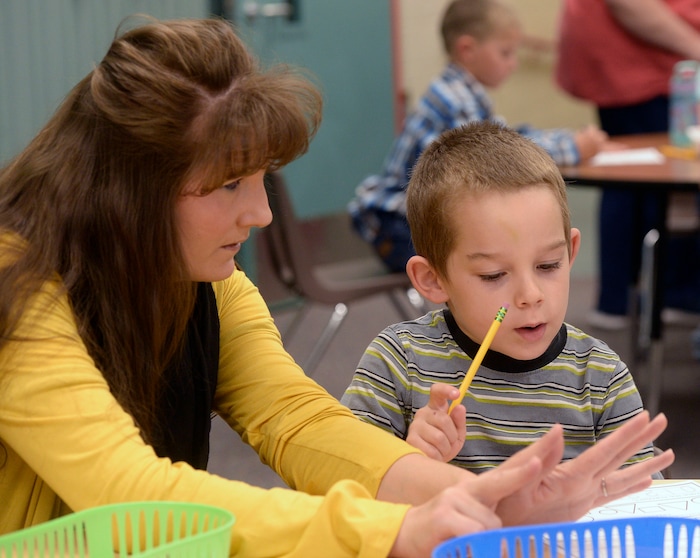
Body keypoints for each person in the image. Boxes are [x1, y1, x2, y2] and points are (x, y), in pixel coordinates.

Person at [0, 16, 673, 558]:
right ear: (131, 187)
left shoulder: (211, 281)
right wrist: (389, 533)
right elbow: (126, 493)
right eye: (230, 184)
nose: (260, 213)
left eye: (262, 178)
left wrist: (474, 498)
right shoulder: (14, 280)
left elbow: (299, 421)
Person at [342, 121, 659, 475]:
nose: (530, 295)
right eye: (493, 275)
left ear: (570, 253)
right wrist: (406, 463)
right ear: (432, 279)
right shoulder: (399, 363)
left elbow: (647, 498)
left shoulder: (600, 376)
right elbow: (343, 490)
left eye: (548, 265)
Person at [348, 0, 612, 274]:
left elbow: (509, 136)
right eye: (505, 53)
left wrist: (568, 139)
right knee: (497, 247)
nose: (513, 64)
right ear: (467, 49)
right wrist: (573, 148)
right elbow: (501, 155)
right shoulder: (455, 100)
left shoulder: (462, 92)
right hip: (397, 227)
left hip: (400, 222)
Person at [556, 0, 700, 329]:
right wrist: (695, 46)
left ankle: (624, 300)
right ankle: (661, 297)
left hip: (646, 61)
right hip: (646, 62)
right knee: (648, 183)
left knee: (630, 182)